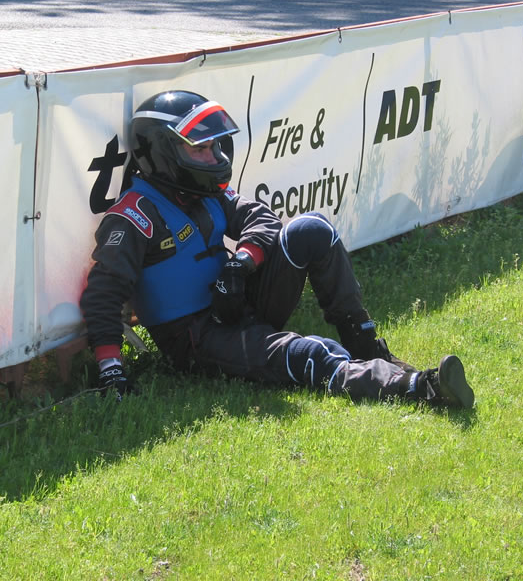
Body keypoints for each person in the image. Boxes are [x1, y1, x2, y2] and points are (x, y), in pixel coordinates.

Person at [79, 90, 474, 408]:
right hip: (196, 338)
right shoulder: (133, 217)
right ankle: (419, 387)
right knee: (310, 353)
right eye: (199, 149)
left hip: (234, 300)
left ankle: (367, 347)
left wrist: (241, 264)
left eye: (215, 147)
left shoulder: (206, 191)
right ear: (165, 152)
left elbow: (264, 220)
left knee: (312, 229)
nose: (213, 157)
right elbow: (102, 293)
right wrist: (112, 369)